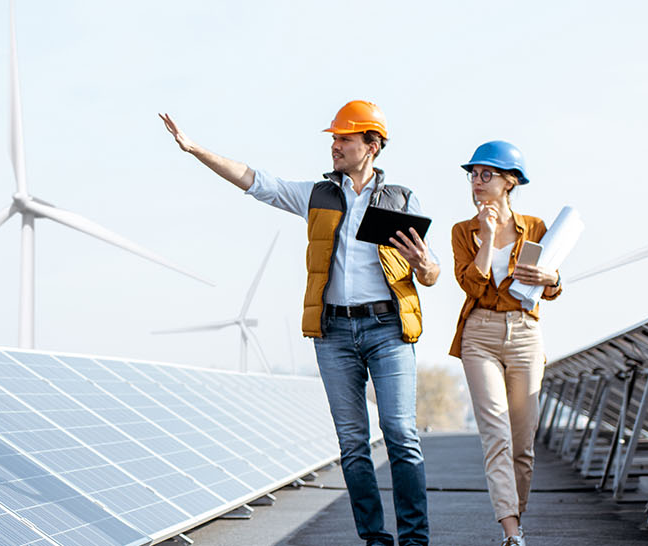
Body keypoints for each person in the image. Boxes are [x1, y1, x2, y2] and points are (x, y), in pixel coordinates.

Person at [161, 101, 437, 546]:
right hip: (334, 335)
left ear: (372, 145)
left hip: (388, 330)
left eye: (343, 138)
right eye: (334, 138)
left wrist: (426, 264)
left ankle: (414, 539)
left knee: (402, 434)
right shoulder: (317, 196)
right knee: (352, 443)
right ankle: (375, 539)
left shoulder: (401, 199)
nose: (334, 145)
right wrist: (195, 149)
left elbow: (429, 273)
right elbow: (255, 181)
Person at [449, 140, 562, 546]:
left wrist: (553, 280)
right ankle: (511, 532)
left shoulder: (535, 228)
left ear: (510, 181)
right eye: (473, 174)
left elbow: (550, 287)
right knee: (495, 433)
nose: (477, 181)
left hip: (526, 335)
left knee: (522, 444)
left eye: (486, 174)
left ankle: (517, 515)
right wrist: (487, 237)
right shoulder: (463, 231)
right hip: (479, 334)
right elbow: (470, 285)